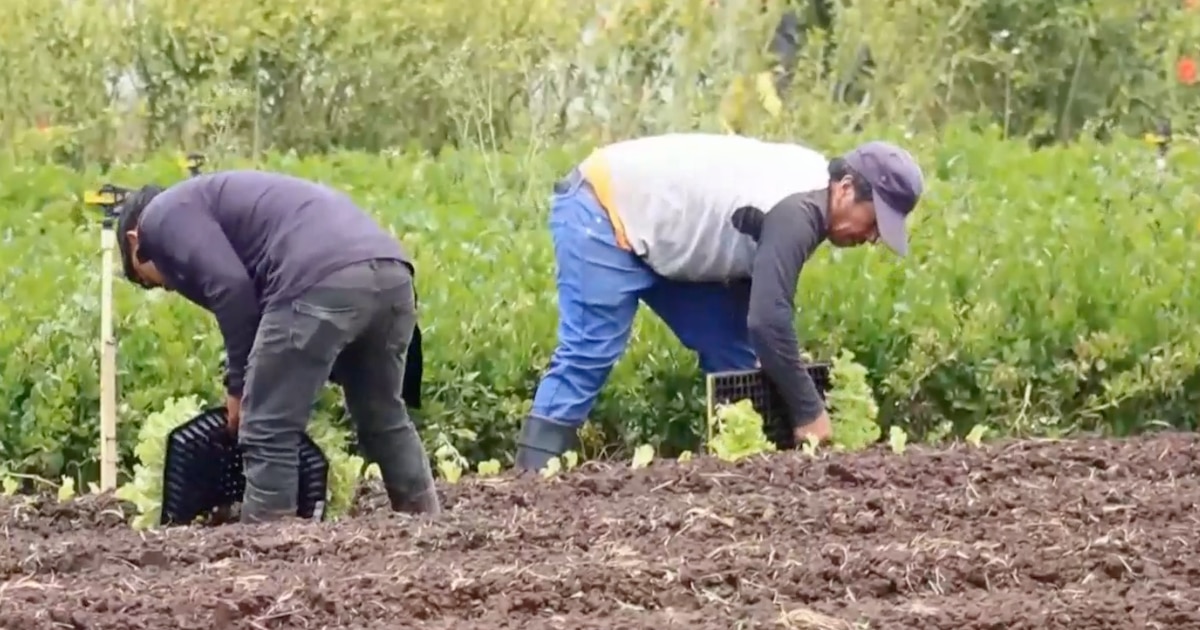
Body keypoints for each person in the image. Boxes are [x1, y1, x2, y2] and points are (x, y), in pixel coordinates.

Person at [515, 133, 924, 471]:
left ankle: (737, 480)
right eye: (873, 222)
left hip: (664, 237)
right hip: (604, 210)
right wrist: (809, 412)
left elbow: (758, 308)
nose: (871, 238)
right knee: (590, 351)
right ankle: (532, 482)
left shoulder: (813, 196)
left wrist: (784, 371)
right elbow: (768, 320)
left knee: (734, 354)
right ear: (846, 188)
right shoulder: (798, 210)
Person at [117, 170, 441, 522]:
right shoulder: (212, 205)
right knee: (383, 416)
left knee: (267, 426)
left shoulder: (160, 217)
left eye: (146, 280)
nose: (166, 286)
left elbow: (231, 290)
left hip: (317, 278)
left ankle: (267, 551)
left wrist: (239, 389)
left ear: (136, 240)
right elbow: (253, 309)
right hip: (392, 275)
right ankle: (427, 527)